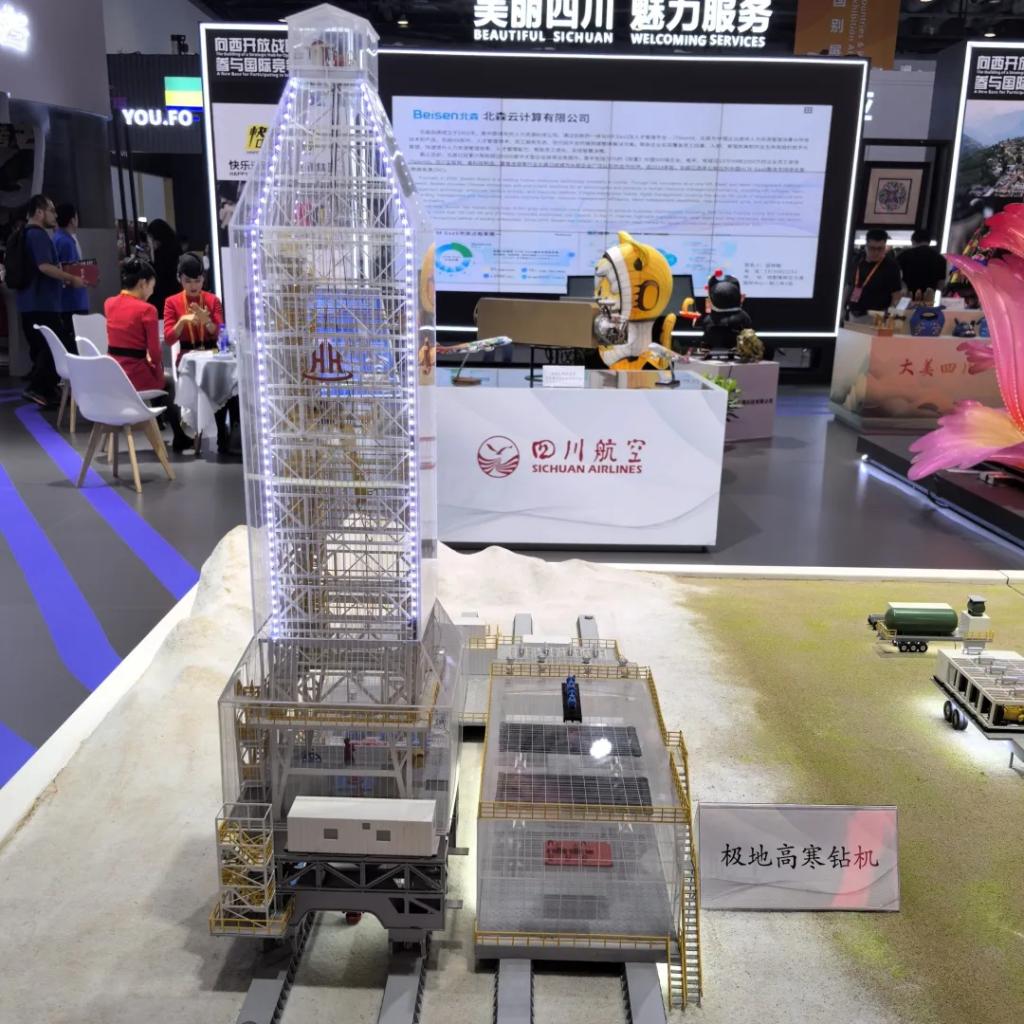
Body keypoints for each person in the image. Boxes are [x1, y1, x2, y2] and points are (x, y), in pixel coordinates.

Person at [105, 257, 191, 451]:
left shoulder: (109, 303)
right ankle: (177, 435)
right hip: (134, 376)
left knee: (157, 376)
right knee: (167, 381)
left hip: (113, 375)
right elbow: (155, 352)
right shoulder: (147, 310)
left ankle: (158, 424)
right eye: (151, 287)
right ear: (143, 284)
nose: (152, 292)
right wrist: (155, 369)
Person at [15, 194, 88, 407]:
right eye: (51, 210)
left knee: (44, 347)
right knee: (58, 344)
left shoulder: (25, 234)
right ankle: (38, 387)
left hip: (31, 303)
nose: (55, 215)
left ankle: (47, 391)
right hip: (43, 303)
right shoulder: (37, 235)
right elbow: (44, 266)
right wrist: (71, 278)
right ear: (39, 212)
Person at [163, 251, 235, 453]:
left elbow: (221, 332)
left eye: (197, 280)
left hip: (212, 354)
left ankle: (223, 434)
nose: (193, 286)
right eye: (188, 281)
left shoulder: (212, 300)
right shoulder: (172, 302)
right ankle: (194, 431)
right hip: (187, 358)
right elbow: (169, 338)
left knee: (224, 383)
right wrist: (181, 321)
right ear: (179, 279)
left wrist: (208, 322)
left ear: (203, 279)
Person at [846, 229, 903, 323]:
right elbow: (849, 285)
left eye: (880, 249)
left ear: (885, 246)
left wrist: (891, 318)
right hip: (853, 314)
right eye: (872, 248)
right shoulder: (858, 260)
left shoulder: (891, 266)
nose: (876, 252)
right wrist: (842, 309)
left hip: (877, 316)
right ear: (866, 246)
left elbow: (896, 295)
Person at [53, 202, 89, 339]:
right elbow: (71, 271)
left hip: (65, 301)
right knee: (77, 340)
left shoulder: (58, 238)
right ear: (72, 220)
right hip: (73, 301)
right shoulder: (66, 242)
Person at [897, 229, 948, 300]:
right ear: (929, 242)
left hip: (907, 298)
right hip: (929, 300)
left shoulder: (903, 256)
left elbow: (896, 278)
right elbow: (941, 284)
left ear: (913, 241)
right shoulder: (940, 258)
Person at [145, 217, 181, 316]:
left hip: (162, 300)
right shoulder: (175, 248)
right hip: (176, 298)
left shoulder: (161, 255)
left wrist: (151, 255)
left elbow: (157, 274)